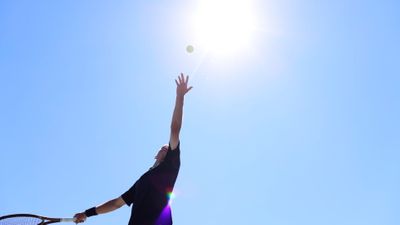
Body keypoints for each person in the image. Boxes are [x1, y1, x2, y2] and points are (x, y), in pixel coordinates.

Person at [73, 73, 192, 225]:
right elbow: (116, 203)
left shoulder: (170, 167)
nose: (166, 149)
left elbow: (175, 129)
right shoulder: (142, 182)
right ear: (155, 154)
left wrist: (180, 97)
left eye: (168, 149)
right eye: (163, 148)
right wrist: (86, 213)